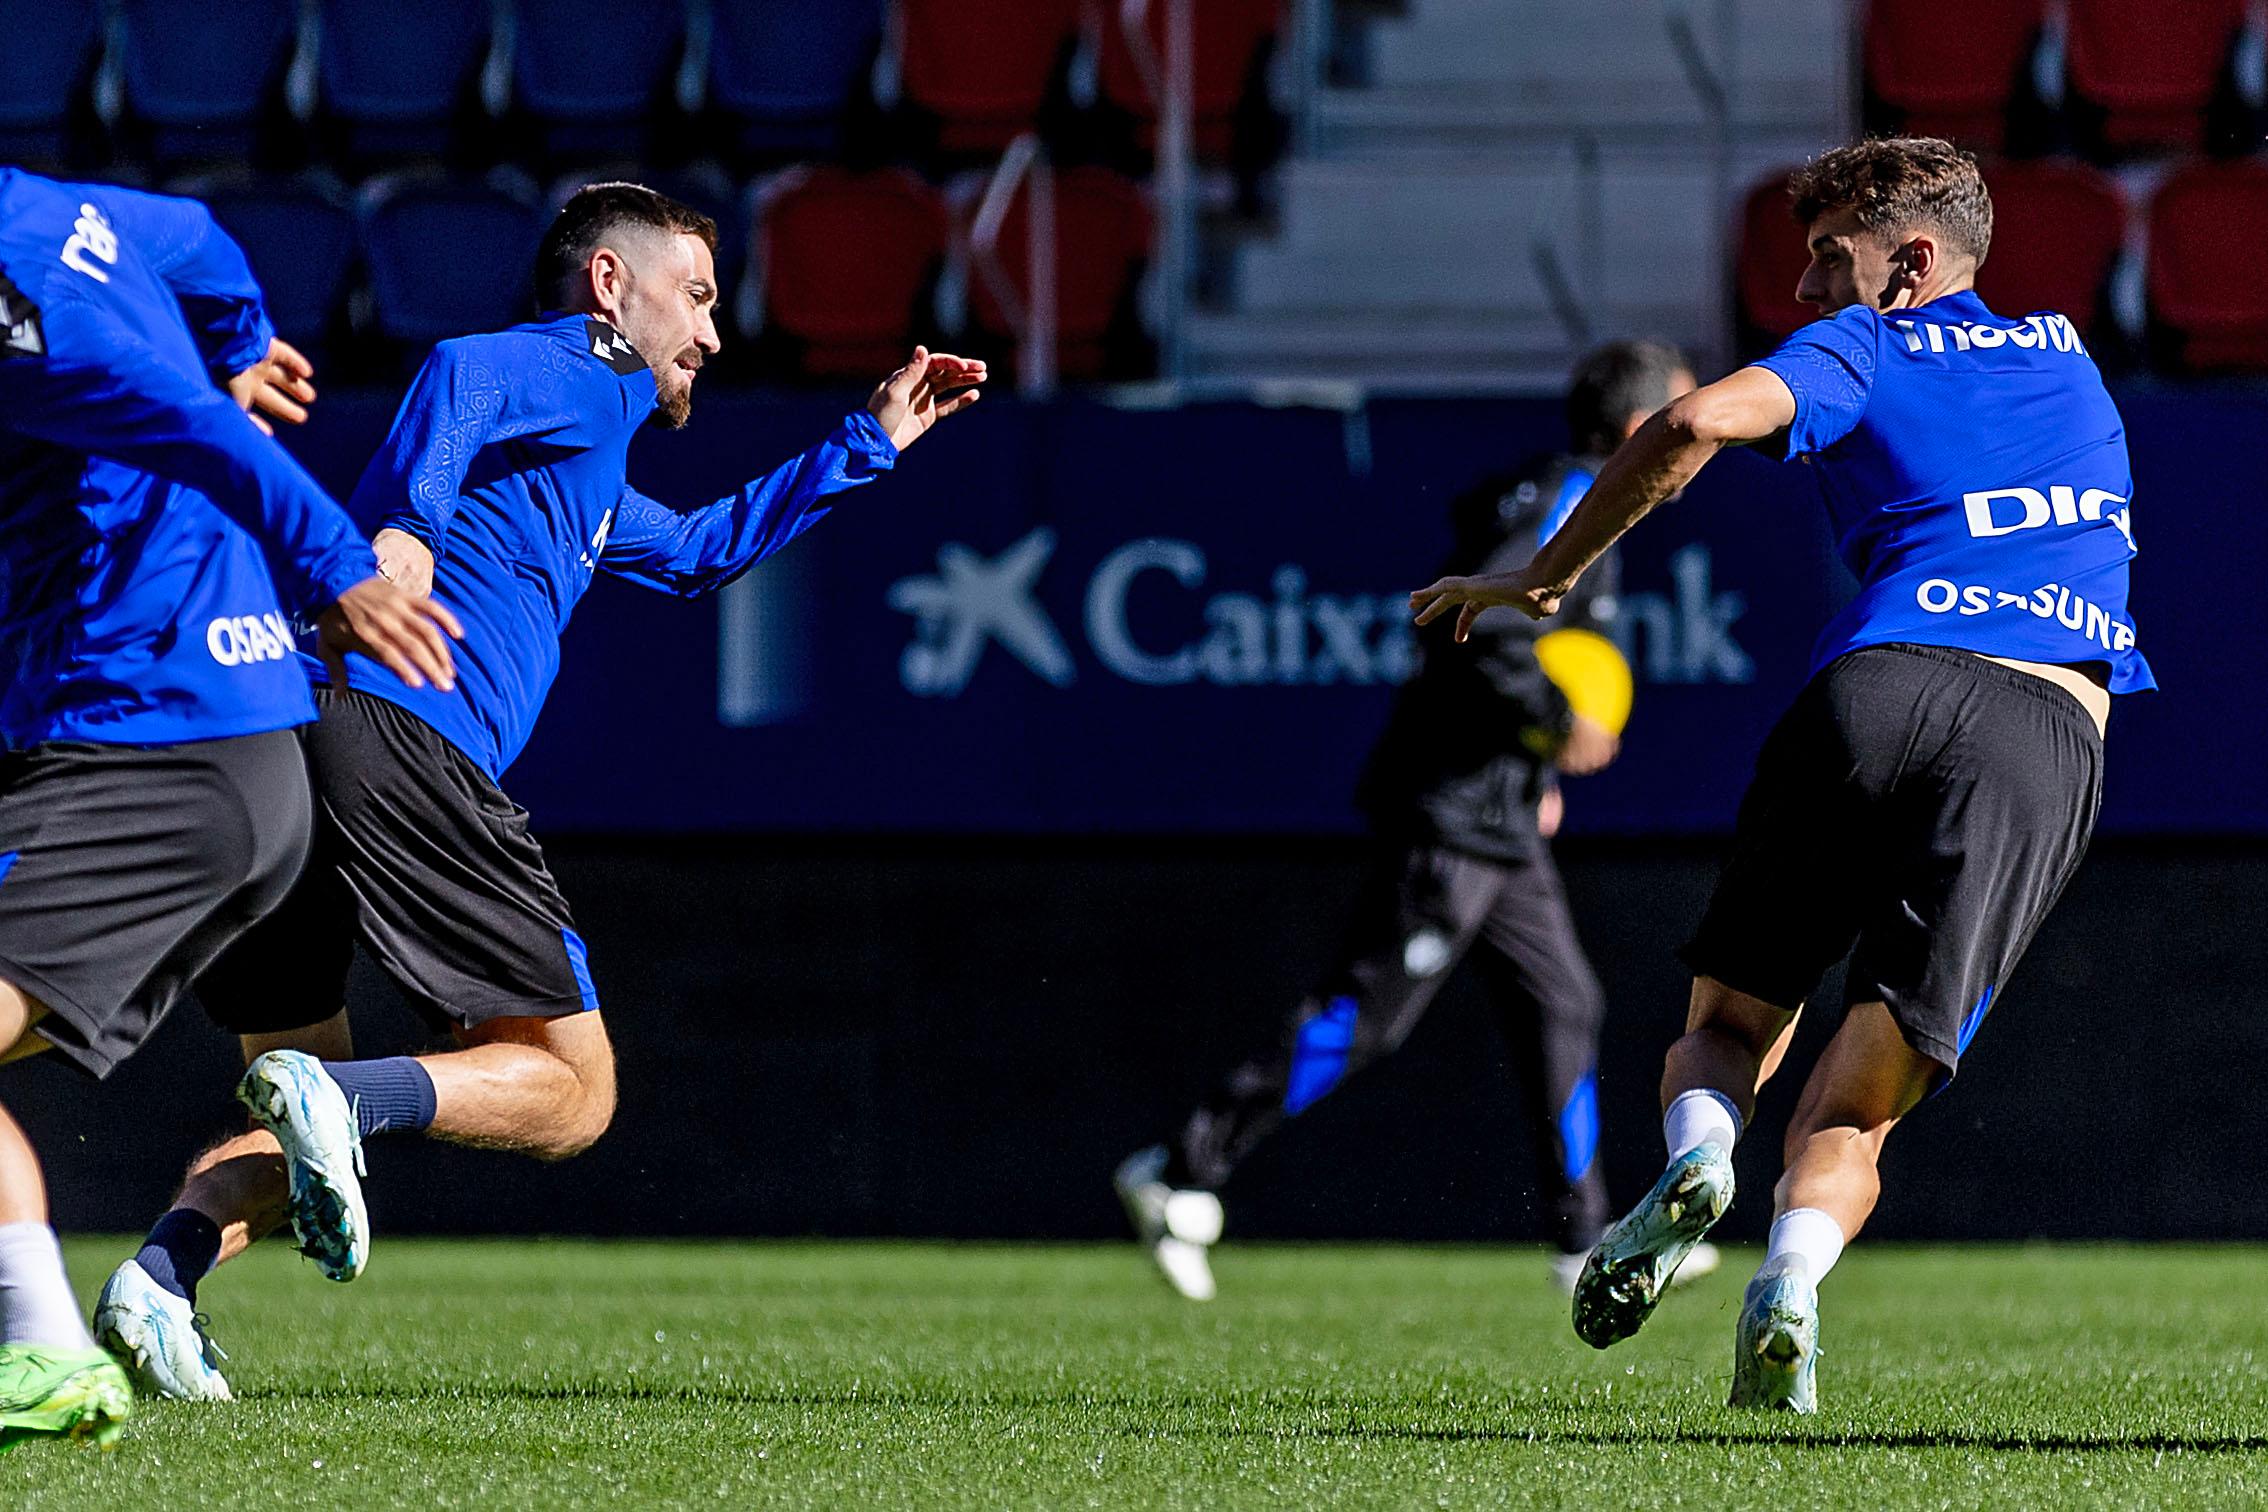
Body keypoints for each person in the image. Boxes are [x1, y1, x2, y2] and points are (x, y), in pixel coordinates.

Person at [95, 183, 987, 1402]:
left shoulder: (585, 470)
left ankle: (162, 1274)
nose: (713, 336)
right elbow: (461, 373)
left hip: (274, 746)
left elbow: (703, 550)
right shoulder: (585, 369)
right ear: (613, 285)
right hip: (403, 741)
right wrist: (404, 529)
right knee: (573, 1092)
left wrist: (870, 439)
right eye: (699, 297)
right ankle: (339, 1107)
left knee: (297, 1083)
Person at [1411, 138, 2150, 1412]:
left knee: (1724, 1033)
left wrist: (1543, 579)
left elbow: (1690, 420)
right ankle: (1788, 1289)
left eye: (1828, 259)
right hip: (2047, 729)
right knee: (1858, 1111)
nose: (1806, 292)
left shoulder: (1868, 347)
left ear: (1910, 263)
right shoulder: (2070, 353)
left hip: (1880, 684)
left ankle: (1700, 1163)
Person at [0, 169, 461, 1446]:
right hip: (214, 743)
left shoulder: (21, 311)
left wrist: (341, 568)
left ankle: (40, 1353)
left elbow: (185, 426)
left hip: (155, 746)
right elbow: (198, 238)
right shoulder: (48, 211)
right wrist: (244, 344)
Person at [1115, 341, 1713, 1302]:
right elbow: (1474, 623)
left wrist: (1531, 762)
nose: (1702, 445)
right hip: (1451, 814)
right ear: (1644, 430)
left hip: (1499, 812)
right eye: (1689, 423)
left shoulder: (1581, 507)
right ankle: (1181, 1169)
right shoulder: (1566, 499)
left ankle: (1584, 1244)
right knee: (1365, 1020)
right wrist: (1556, 727)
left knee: (1564, 1002)